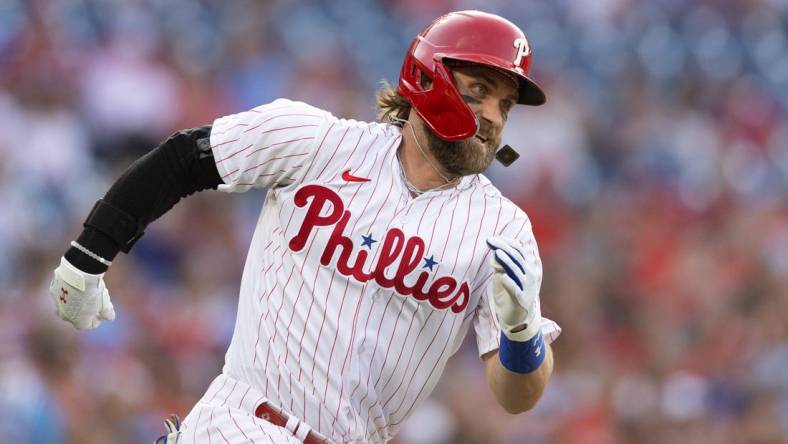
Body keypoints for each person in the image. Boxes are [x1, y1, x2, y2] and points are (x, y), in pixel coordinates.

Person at [48, 10, 561, 443]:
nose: (493, 116)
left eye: (505, 104)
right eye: (478, 91)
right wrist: (88, 256)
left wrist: (521, 334)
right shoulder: (319, 143)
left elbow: (517, 396)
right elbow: (185, 159)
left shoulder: (503, 229)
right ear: (428, 78)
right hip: (243, 423)